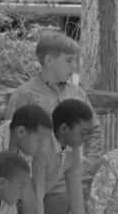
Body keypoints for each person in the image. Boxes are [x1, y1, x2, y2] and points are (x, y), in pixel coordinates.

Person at [8, 100, 110, 214]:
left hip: (35, 207)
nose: (86, 139)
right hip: (15, 208)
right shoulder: (42, 148)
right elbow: (36, 194)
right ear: (63, 129)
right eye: (83, 133)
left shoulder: (73, 150)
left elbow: (76, 193)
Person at [5, 29, 102, 171]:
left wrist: (88, 164)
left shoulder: (77, 94)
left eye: (75, 61)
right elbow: (11, 140)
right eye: (68, 60)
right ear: (49, 61)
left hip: (74, 174)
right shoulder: (25, 95)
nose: (74, 66)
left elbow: (94, 129)